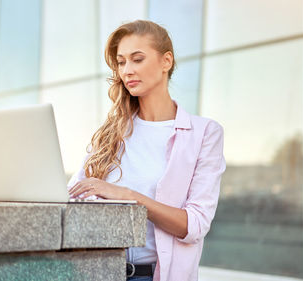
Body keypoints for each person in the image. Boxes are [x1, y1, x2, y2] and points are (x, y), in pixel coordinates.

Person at [67, 20, 226, 281]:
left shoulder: (204, 134)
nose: (127, 70)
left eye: (137, 59)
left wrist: (128, 196)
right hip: (98, 273)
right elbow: (74, 196)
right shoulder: (111, 133)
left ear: (166, 61)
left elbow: (195, 225)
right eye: (121, 62)